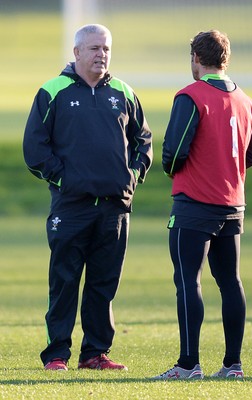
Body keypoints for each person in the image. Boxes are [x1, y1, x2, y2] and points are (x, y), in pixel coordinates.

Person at [23, 24, 152, 371]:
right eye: (94, 48)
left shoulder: (123, 92)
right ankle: (56, 355)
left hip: (114, 209)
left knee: (103, 283)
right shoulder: (53, 91)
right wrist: (65, 180)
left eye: (106, 49)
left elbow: (144, 142)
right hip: (71, 207)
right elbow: (35, 150)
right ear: (77, 52)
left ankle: (95, 353)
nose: (102, 55)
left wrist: (133, 176)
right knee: (64, 282)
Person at [152, 30, 252, 380]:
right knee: (230, 282)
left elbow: (174, 151)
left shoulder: (191, 95)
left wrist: (174, 171)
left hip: (195, 204)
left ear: (196, 58)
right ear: (225, 59)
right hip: (233, 204)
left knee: (188, 281)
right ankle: (233, 365)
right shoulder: (247, 101)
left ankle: (188, 364)